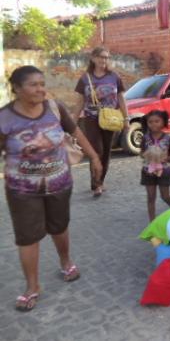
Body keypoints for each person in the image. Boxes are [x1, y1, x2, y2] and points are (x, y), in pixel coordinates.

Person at [0, 66, 102, 311]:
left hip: (58, 182)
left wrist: (94, 157)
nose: (40, 89)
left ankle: (65, 261)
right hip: (22, 189)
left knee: (59, 226)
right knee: (27, 237)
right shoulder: (4, 118)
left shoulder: (54, 107)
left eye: (42, 83)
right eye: (33, 84)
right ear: (17, 88)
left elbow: (75, 130)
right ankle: (32, 286)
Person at [73, 47, 129, 197]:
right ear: (93, 58)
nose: (103, 60)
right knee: (96, 151)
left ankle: (101, 181)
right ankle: (96, 184)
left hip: (110, 119)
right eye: (100, 57)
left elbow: (121, 99)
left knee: (106, 153)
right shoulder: (85, 78)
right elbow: (79, 102)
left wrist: (126, 118)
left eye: (106, 57)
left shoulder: (114, 76)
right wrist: (72, 123)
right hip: (91, 119)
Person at [140, 110, 170, 221]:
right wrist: (146, 155)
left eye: (157, 121)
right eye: (150, 122)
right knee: (151, 197)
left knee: (165, 196)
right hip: (148, 171)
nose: (153, 124)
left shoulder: (168, 138)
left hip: (164, 171)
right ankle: (152, 221)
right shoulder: (145, 138)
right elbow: (141, 152)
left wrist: (166, 158)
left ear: (163, 122)